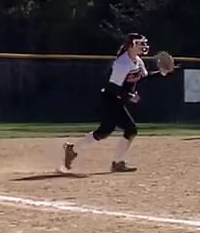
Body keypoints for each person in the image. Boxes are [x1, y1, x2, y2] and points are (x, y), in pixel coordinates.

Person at [62, 34, 170, 174]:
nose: (143, 46)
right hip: (111, 99)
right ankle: (117, 162)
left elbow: (144, 78)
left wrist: (161, 73)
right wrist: (129, 96)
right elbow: (113, 87)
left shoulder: (137, 60)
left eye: (144, 43)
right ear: (131, 45)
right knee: (131, 130)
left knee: (104, 131)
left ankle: (72, 150)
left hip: (117, 99)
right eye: (140, 43)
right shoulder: (122, 63)